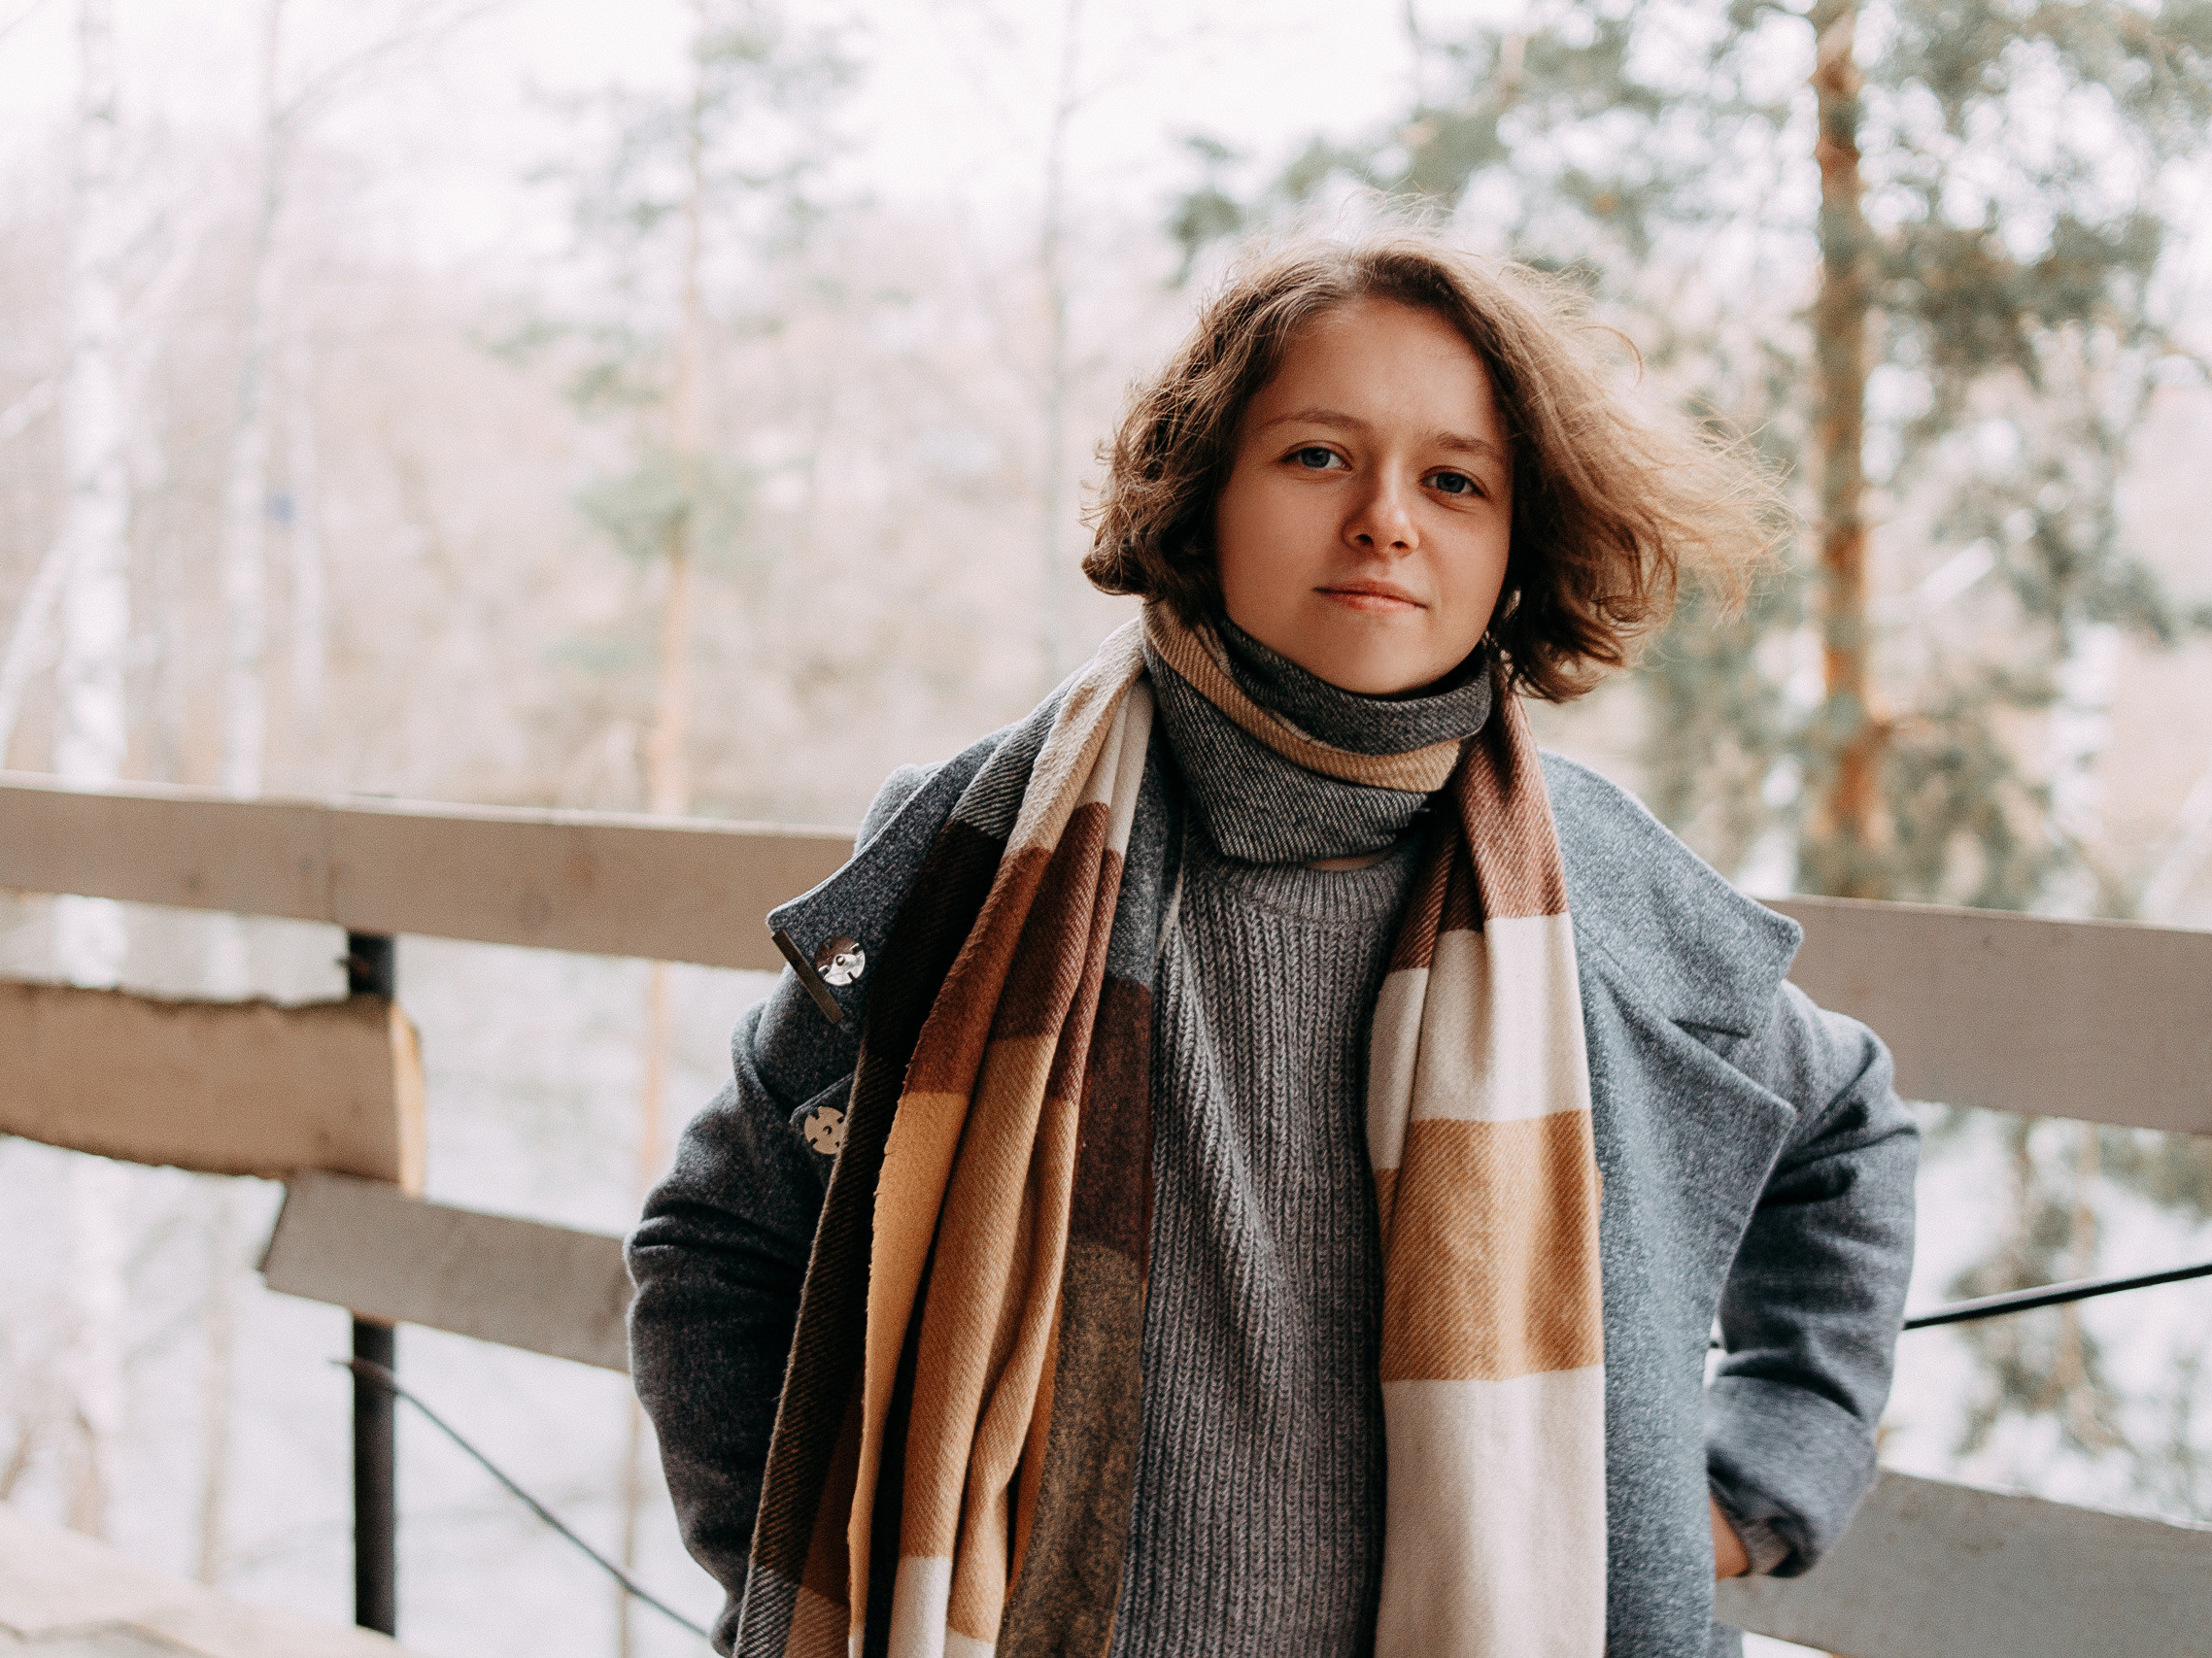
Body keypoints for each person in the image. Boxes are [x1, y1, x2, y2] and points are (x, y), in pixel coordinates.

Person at [627, 234, 1918, 1658]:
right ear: (1205, 498)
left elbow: (1846, 1138)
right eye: (1316, 457)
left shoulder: (1601, 893)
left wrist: (1757, 1476)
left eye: (1454, 480)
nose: (1385, 521)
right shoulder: (985, 858)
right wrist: (821, 1567)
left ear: (1514, 544)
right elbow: (714, 1247)